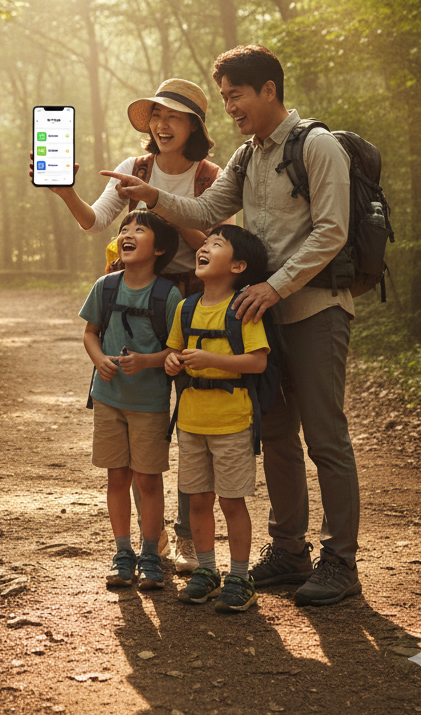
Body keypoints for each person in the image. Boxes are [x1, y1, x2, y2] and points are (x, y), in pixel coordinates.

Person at [101, 44, 361, 607]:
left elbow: (332, 231)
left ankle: (341, 561)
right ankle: (289, 551)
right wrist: (154, 197)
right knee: (277, 434)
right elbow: (206, 212)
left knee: (325, 436)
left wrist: (274, 286)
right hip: (259, 314)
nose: (230, 107)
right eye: (223, 98)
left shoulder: (317, 146)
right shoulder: (248, 156)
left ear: (269, 89)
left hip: (313, 308)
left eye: (236, 95)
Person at [37, 78, 223, 574]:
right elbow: (96, 221)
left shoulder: (211, 177)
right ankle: (148, 543)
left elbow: (217, 244)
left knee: (193, 426)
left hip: (194, 304)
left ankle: (188, 538)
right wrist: (64, 191)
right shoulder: (133, 168)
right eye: (156, 115)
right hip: (135, 301)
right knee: (141, 427)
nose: (162, 125)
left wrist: (160, 203)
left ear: (194, 126)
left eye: (174, 116)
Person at [164, 225, 270, 613]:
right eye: (205, 243)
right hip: (191, 421)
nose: (204, 247)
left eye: (216, 244)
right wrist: (172, 361)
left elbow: (257, 362)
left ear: (238, 266)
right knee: (197, 501)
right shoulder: (186, 307)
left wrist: (211, 359)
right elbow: (173, 352)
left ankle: (240, 578)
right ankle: (207, 573)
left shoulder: (243, 309)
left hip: (232, 421)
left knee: (231, 502)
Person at [80, 210, 182, 590]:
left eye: (140, 229)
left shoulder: (168, 294)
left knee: (148, 480)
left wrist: (146, 361)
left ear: (159, 249)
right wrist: (99, 360)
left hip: (150, 403)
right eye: (125, 228)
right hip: (108, 399)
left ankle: (150, 553)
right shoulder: (106, 286)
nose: (128, 233)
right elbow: (90, 333)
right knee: (117, 477)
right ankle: (123, 553)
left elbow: (176, 349)